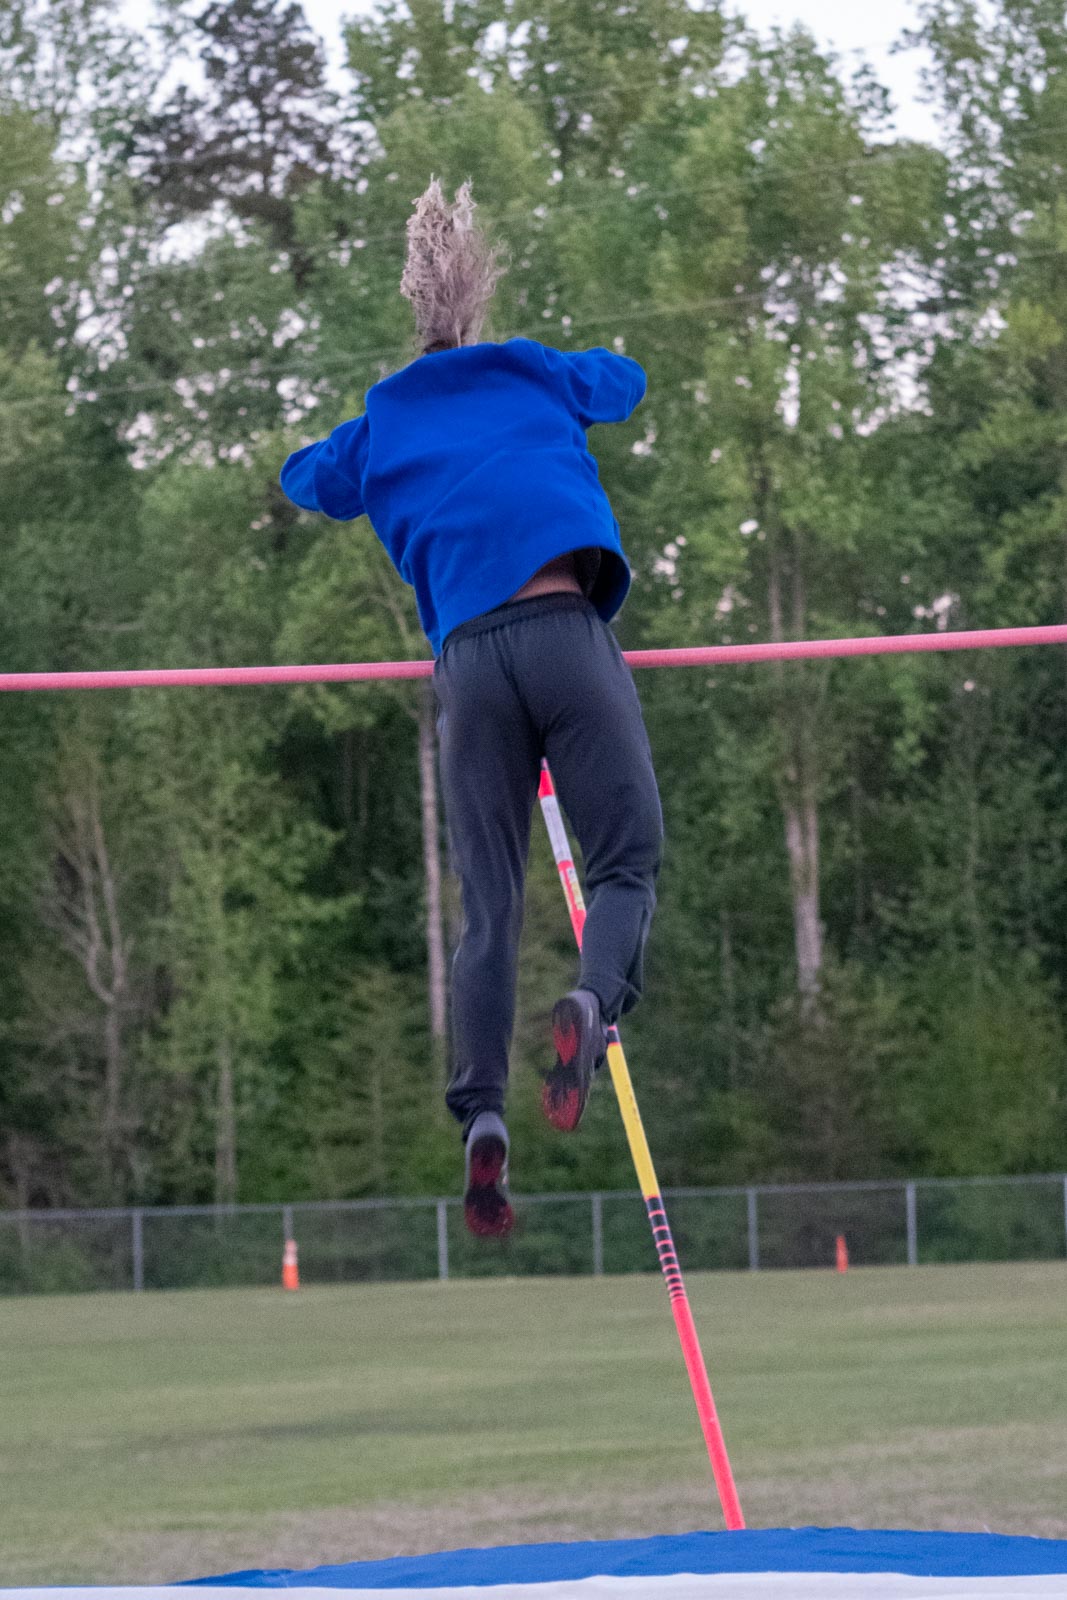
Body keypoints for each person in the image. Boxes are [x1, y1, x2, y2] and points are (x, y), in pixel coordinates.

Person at [280, 179, 662, 1239]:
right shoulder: (530, 368)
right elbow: (623, 381)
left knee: (490, 906)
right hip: (562, 630)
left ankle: (482, 1113)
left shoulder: (384, 416)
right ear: (478, 302)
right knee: (625, 862)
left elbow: (306, 480)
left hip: (469, 665)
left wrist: (373, 433)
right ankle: (590, 1004)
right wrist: (542, 376)